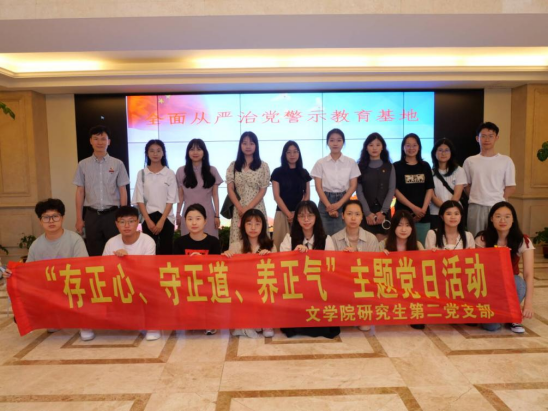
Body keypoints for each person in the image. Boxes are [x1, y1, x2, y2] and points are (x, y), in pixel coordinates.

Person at [3, 199, 94, 341]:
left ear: (62, 218)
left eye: (55, 216)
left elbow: (83, 267)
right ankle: (53, 319)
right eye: (46, 217)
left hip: (72, 285)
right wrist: (13, 274)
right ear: (40, 221)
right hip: (49, 288)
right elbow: (28, 273)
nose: (51, 221)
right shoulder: (36, 245)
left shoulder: (74, 239)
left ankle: (84, 323)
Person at [279, 201, 339, 339]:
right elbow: (281, 266)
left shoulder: (326, 239)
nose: (306, 219)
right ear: (297, 219)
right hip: (297, 289)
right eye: (301, 216)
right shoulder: (289, 239)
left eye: (310, 215)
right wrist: (294, 254)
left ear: (316, 217)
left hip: (319, 289)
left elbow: (331, 268)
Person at [475, 201, 534, 334]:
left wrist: (528, 304)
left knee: (518, 281)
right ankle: (504, 313)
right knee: (491, 327)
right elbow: (477, 271)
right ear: (491, 219)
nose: (503, 220)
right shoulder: (482, 239)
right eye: (498, 216)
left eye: (507, 216)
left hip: (509, 285)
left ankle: (513, 315)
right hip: (489, 287)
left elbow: (528, 274)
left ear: (513, 219)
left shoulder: (522, 240)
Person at [103, 206, 159, 341]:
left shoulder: (147, 241)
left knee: (152, 286)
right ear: (116, 224)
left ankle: (152, 326)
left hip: (142, 283)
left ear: (138, 222)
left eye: (131, 221)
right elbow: (104, 269)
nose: (127, 226)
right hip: (119, 283)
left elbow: (148, 270)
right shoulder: (111, 242)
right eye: (122, 222)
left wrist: (127, 260)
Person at [74, 125, 130, 256]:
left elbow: (122, 190)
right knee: (94, 251)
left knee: (115, 250)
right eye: (96, 138)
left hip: (112, 214)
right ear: (90, 141)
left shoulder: (118, 163)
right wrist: (79, 218)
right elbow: (80, 191)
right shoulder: (83, 164)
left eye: (103, 139)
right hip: (91, 215)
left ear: (109, 141)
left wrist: (123, 216)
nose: (100, 142)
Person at [223, 209, 275, 338]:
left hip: (263, 287)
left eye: (257, 224)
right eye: (249, 223)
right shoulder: (235, 246)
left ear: (263, 226)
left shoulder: (270, 246)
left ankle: (266, 322)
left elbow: (276, 271)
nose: (253, 227)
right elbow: (229, 272)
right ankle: (249, 323)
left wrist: (270, 257)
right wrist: (226, 256)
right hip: (244, 288)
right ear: (243, 226)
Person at [332, 200, 380, 332]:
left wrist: (356, 257)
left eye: (357, 214)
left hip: (364, 287)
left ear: (362, 216)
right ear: (343, 216)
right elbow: (332, 269)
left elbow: (375, 268)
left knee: (365, 327)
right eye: (349, 214)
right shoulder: (334, 239)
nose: (353, 218)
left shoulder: (371, 239)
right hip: (343, 286)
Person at [173, 203, 221, 336]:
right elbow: (176, 267)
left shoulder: (213, 242)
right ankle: (192, 319)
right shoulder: (179, 242)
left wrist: (202, 261)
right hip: (187, 282)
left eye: (198, 218)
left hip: (207, 282)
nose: (194, 222)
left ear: (205, 221)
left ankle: (210, 321)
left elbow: (216, 267)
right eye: (190, 219)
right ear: (185, 221)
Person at [463, 122, 516, 236]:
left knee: (497, 238)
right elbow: (466, 185)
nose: (487, 139)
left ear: (497, 138)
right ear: (477, 138)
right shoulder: (470, 161)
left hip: (497, 206)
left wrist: (498, 199)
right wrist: (477, 196)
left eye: (491, 136)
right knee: (476, 237)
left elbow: (511, 187)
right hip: (475, 206)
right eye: (483, 136)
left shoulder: (506, 160)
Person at [379, 209, 425, 330]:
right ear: (393, 227)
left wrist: (434, 254)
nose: (404, 229)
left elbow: (425, 270)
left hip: (411, 289)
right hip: (390, 288)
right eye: (399, 225)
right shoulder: (383, 244)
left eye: (407, 225)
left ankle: (413, 312)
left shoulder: (418, 245)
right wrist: (381, 256)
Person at [311, 128, 361, 236]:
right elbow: (318, 187)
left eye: (339, 140)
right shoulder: (320, 163)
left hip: (344, 200)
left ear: (343, 142)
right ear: (327, 142)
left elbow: (353, 186)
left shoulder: (351, 162)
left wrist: (339, 204)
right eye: (332, 140)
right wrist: (328, 206)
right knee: (323, 236)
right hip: (325, 200)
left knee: (344, 237)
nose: (335, 143)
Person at [133, 139, 178, 255]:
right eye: (152, 151)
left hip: (166, 218)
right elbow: (139, 199)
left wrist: (162, 221)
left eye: (158, 151)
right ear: (147, 153)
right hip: (148, 218)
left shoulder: (170, 173)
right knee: (149, 252)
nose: (155, 154)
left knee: (166, 252)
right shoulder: (142, 173)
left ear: (163, 153)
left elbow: (171, 200)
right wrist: (148, 220)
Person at [226, 132, 270, 244]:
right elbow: (230, 189)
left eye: (251, 143)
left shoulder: (263, 166)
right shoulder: (233, 165)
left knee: (259, 240)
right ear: (240, 145)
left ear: (256, 145)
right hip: (239, 209)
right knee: (238, 241)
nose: (248, 146)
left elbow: (263, 190)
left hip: (257, 207)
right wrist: (240, 208)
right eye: (245, 143)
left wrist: (249, 208)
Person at [176, 139, 223, 238]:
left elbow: (215, 195)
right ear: (188, 152)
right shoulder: (181, 171)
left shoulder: (212, 170)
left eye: (199, 149)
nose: (195, 152)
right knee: (188, 242)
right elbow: (180, 196)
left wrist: (217, 215)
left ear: (204, 152)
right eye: (192, 149)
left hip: (208, 214)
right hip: (188, 215)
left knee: (209, 242)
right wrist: (178, 213)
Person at [393, 133, 434, 246]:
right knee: (402, 246)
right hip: (403, 214)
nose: (411, 148)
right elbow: (395, 190)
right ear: (403, 147)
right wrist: (414, 208)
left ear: (419, 147)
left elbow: (429, 188)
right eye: (408, 145)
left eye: (414, 145)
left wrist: (422, 210)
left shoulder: (425, 166)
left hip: (423, 215)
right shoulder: (396, 166)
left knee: (421, 247)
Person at [271, 141, 312, 251]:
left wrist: (297, 213)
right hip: (282, 214)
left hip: (301, 215)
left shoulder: (304, 172)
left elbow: (307, 195)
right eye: (288, 152)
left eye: (295, 152)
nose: (292, 155)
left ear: (299, 153)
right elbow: (276, 196)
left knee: (300, 246)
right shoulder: (277, 172)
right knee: (280, 246)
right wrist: (289, 215)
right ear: (284, 154)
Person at [356, 132, 395, 241]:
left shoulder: (389, 166)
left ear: (382, 147)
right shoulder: (360, 167)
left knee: (384, 245)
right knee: (367, 244)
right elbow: (359, 192)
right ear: (366, 147)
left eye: (378, 145)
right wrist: (367, 213)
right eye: (371, 145)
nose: (374, 148)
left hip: (384, 212)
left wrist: (383, 212)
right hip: (366, 212)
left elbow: (391, 189)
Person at [430, 139, 467, 232]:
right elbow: (432, 196)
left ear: (451, 153)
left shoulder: (459, 170)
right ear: (434, 153)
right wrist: (445, 209)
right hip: (435, 212)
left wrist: (449, 210)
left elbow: (457, 195)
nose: (443, 153)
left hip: (455, 212)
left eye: (447, 150)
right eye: (440, 150)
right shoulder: (430, 172)